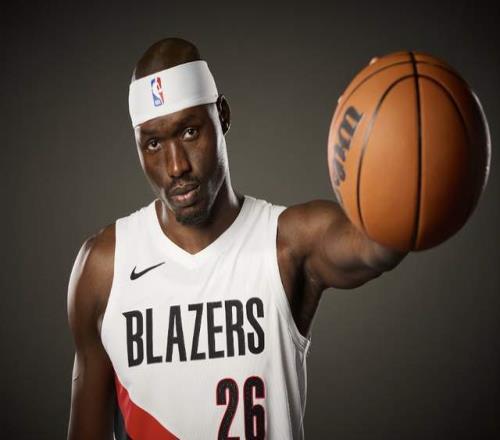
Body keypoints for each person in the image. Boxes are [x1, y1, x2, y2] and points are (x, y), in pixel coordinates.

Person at [66, 38, 406, 440]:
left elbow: (376, 246)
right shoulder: (105, 268)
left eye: (189, 131)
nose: (175, 166)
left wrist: (400, 127)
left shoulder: (287, 244)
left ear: (222, 115)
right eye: (153, 144)